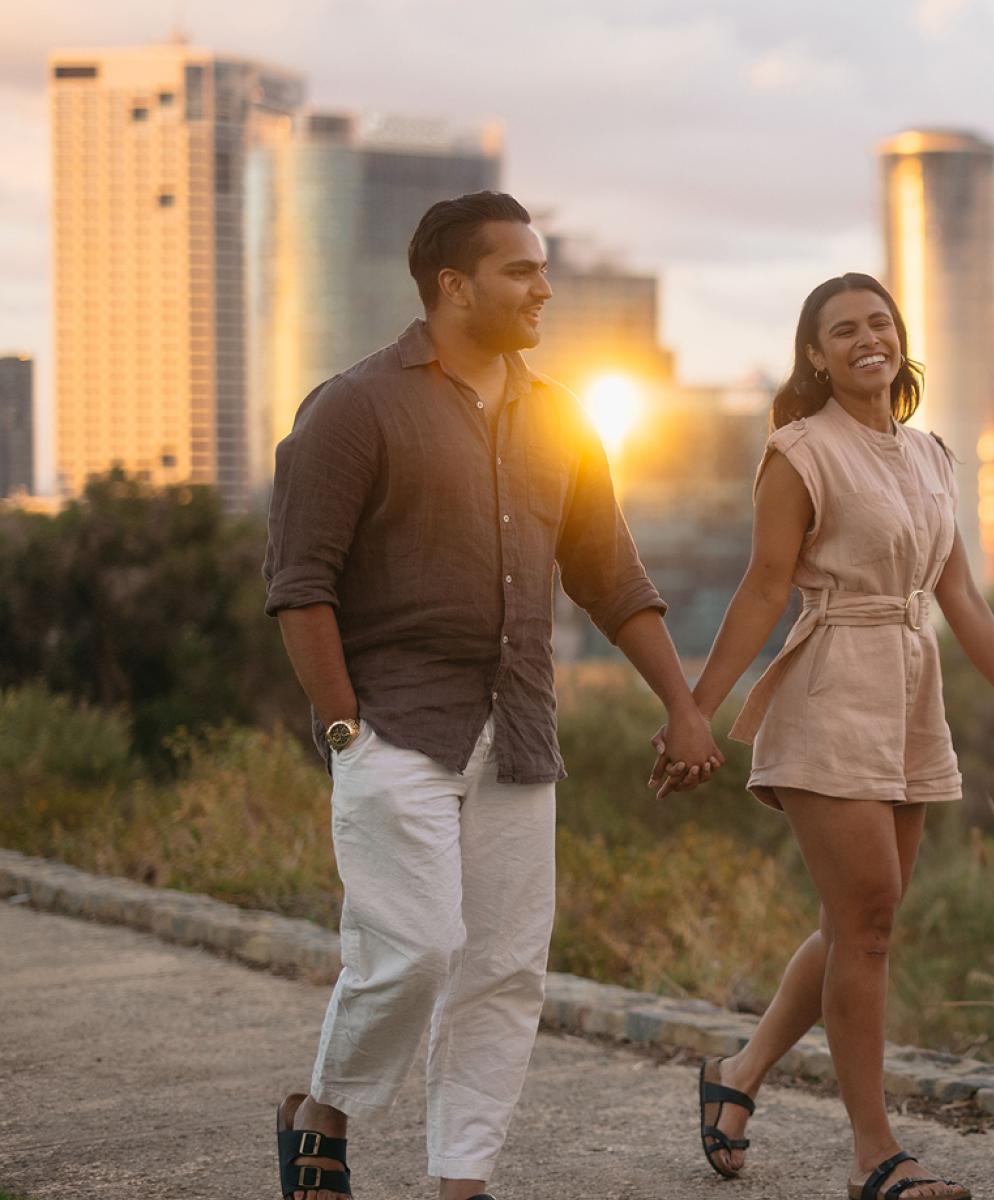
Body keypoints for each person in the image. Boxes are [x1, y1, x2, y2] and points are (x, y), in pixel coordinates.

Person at [262, 190, 722, 1200]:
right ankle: (323, 1108)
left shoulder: (559, 419)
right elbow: (300, 586)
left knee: (504, 972)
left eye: (542, 267)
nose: (543, 287)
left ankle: (459, 1180)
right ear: (452, 286)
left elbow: (612, 576)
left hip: (519, 735)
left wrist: (683, 705)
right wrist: (343, 726)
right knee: (416, 950)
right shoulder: (354, 408)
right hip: (393, 727)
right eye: (521, 270)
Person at [663, 273, 994, 1199]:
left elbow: (959, 595)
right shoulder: (798, 452)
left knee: (861, 924)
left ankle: (737, 1076)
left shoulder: (930, 454)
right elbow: (764, 588)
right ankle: (874, 1153)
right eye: (841, 330)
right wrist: (696, 709)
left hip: (908, 690)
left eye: (878, 322)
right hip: (830, 683)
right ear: (816, 354)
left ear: (900, 338)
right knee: (870, 923)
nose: (865, 339)